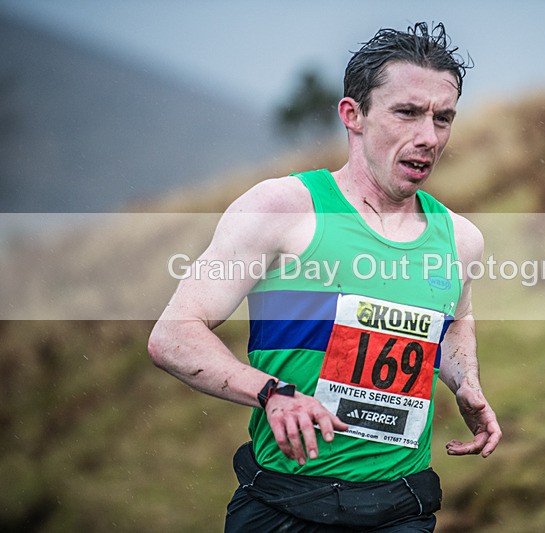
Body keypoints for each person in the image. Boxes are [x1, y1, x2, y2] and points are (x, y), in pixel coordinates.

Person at [148, 21, 501, 532]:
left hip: (401, 508)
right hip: (284, 505)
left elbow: (455, 322)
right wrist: (272, 393)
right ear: (352, 115)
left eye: (443, 118)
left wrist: (465, 380)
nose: (428, 137)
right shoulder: (283, 209)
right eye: (407, 113)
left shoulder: (460, 239)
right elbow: (173, 334)